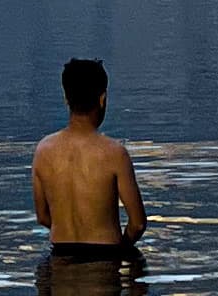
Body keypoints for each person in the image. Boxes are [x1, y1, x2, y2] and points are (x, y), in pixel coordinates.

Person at [32, 56, 147, 261]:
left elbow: (42, 217)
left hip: (60, 256)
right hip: (107, 258)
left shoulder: (43, 151)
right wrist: (123, 248)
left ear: (66, 99)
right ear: (102, 99)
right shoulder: (114, 153)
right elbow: (137, 224)